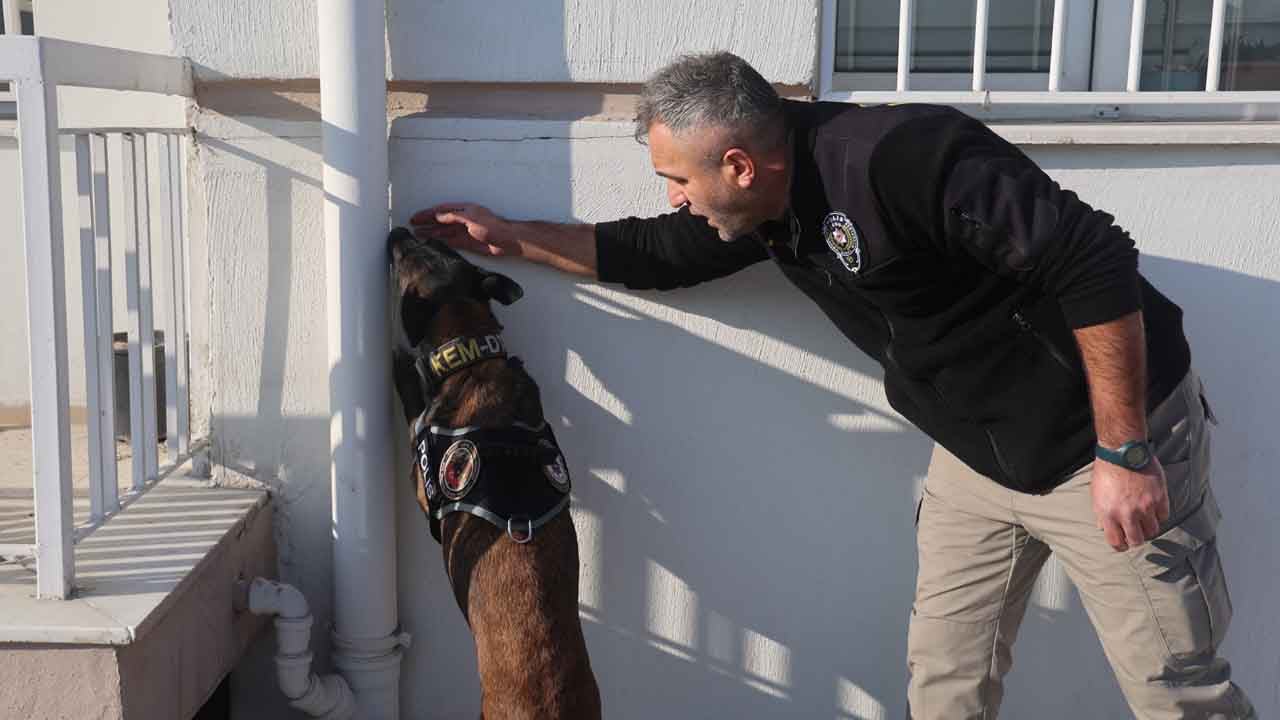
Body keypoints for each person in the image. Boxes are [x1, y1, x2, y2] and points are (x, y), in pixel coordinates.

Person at [410, 51, 1255, 719]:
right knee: (947, 685)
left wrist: (1126, 449)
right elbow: (659, 254)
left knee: (1175, 690)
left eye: (679, 179)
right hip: (980, 455)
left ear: (738, 164)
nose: (674, 198)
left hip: (1100, 443)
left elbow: (1095, 259)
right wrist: (512, 238)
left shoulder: (904, 160)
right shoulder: (767, 204)